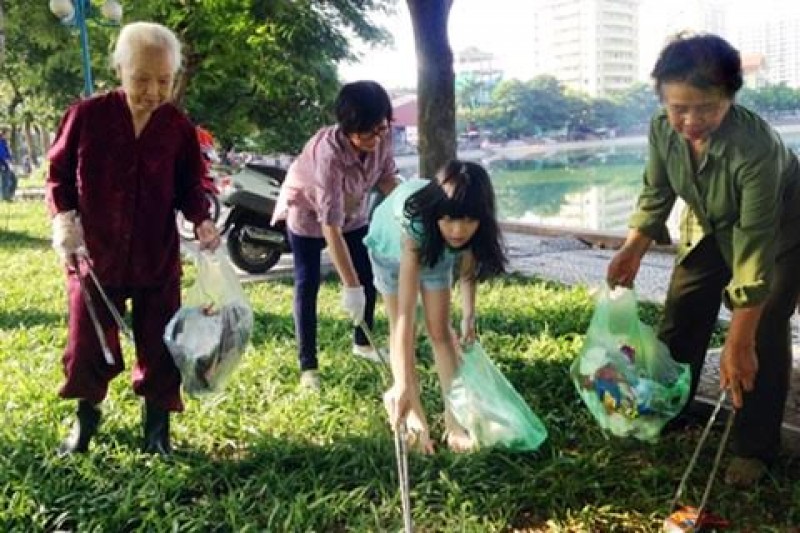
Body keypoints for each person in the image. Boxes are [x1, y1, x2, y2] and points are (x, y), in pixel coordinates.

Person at [605, 33, 800, 487]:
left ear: (730, 97)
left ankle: (755, 447)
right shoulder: (661, 131)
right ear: (662, 100)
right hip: (711, 222)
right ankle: (668, 408)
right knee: (683, 308)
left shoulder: (756, 149)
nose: (691, 120)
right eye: (679, 108)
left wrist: (739, 336)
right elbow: (656, 192)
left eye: (706, 108)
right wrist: (633, 248)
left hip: (780, 229)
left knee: (762, 327)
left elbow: (755, 242)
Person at [46, 21, 221, 456]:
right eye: (142, 78)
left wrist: (201, 219)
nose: (153, 91)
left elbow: (191, 185)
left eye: (164, 80)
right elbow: (59, 176)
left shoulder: (177, 126)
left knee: (162, 345)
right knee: (87, 343)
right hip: (94, 256)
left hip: (155, 257)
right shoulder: (86, 116)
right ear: (120, 70)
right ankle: (85, 420)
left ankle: (156, 431)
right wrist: (64, 220)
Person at [365, 160, 508, 453]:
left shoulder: (468, 230)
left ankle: (455, 423)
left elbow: (468, 273)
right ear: (437, 213)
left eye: (468, 220)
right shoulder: (416, 226)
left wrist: (469, 316)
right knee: (403, 328)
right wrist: (402, 384)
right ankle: (417, 422)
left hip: (437, 252)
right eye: (450, 219)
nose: (458, 230)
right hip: (391, 252)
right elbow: (405, 317)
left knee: (440, 331)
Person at [271, 80, 399, 390]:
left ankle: (363, 344)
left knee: (368, 276)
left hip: (353, 215)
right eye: (367, 132)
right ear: (348, 128)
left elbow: (385, 179)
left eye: (381, 128)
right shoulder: (327, 154)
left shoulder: (381, 136)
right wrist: (349, 286)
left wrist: (412, 203)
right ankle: (308, 367)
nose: (376, 137)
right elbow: (330, 226)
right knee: (308, 284)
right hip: (308, 217)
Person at [0, 128, 16, 201]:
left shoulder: (5, 142)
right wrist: (7, 162)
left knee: (13, 179)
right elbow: (2, 154)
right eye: (8, 133)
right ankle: (5, 197)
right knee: (5, 181)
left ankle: (8, 195)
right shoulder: (1, 142)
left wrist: (11, 159)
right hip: (3, 164)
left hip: (7, 164)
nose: (9, 135)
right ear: (4, 134)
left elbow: (8, 153)